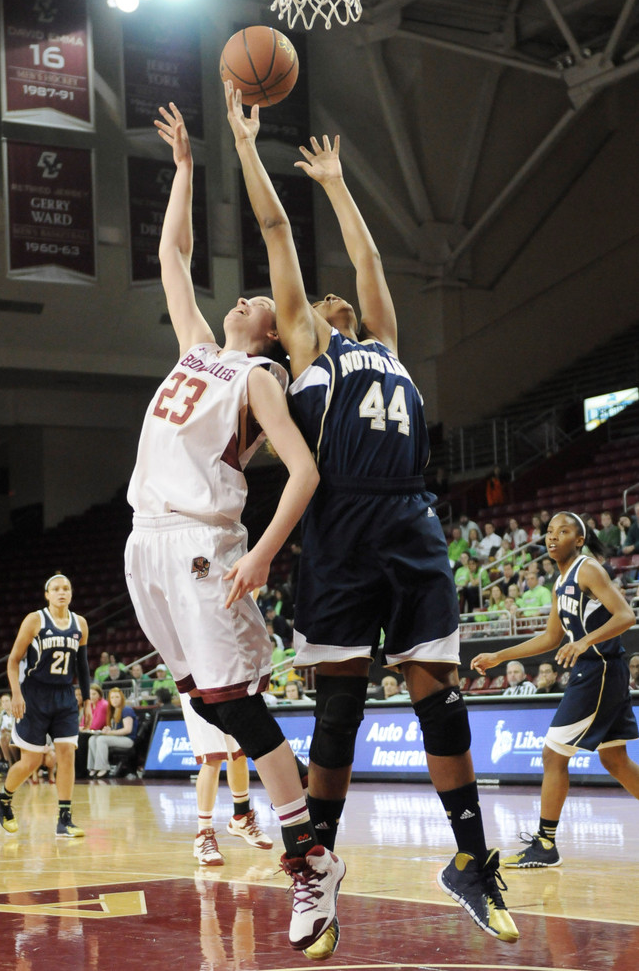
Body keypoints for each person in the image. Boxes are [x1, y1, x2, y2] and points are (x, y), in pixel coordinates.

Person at [227, 85, 517, 947]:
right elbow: (275, 232)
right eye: (320, 303)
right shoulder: (307, 352)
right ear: (299, 327)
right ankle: (316, 875)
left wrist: (337, 184)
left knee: (442, 703)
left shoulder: (384, 346)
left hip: (411, 521)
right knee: (338, 714)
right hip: (343, 527)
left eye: (340, 299)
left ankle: (470, 861)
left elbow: (371, 265)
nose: (337, 300)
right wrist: (245, 146)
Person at [123, 101, 342, 956]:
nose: (244, 296)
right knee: (204, 702)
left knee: (238, 707)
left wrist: (260, 554)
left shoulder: (257, 378)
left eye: (254, 300)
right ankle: (295, 840)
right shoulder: (195, 348)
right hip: (145, 541)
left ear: (270, 336)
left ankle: (309, 856)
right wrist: (183, 168)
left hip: (200, 546)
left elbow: (304, 472)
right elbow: (173, 257)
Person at [471, 511, 638, 868]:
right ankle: (546, 844)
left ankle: (545, 843)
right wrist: (499, 656)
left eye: (562, 531)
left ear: (579, 540)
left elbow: (626, 615)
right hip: (600, 669)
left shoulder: (587, 568)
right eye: (549, 531)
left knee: (552, 755)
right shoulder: (560, 582)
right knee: (614, 759)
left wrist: (584, 642)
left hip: (599, 668)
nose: (552, 537)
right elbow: (550, 638)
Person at [0, 573, 92, 838]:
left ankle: (64, 819)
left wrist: (87, 699)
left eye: (66, 588)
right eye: (56, 589)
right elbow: (13, 660)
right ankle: (3, 798)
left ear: (71, 593)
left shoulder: (80, 623)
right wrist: (16, 694)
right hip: (34, 695)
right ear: (47, 595)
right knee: (31, 761)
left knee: (66, 754)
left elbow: (82, 665)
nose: (62, 592)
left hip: (65, 696)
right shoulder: (35, 620)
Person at [179, 692, 273, 865]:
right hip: (197, 689)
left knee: (240, 751)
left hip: (225, 685)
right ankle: (203, 835)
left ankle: (241, 816)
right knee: (212, 758)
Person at [87, 686, 137, 778]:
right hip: (118, 738)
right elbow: (114, 729)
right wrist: (107, 730)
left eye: (117, 697)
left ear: (122, 698)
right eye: (112, 697)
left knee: (101, 739)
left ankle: (103, 768)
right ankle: (94, 767)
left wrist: (110, 733)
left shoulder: (126, 710)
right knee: (92, 739)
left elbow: (127, 730)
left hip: (128, 740)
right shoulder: (113, 711)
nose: (114, 700)